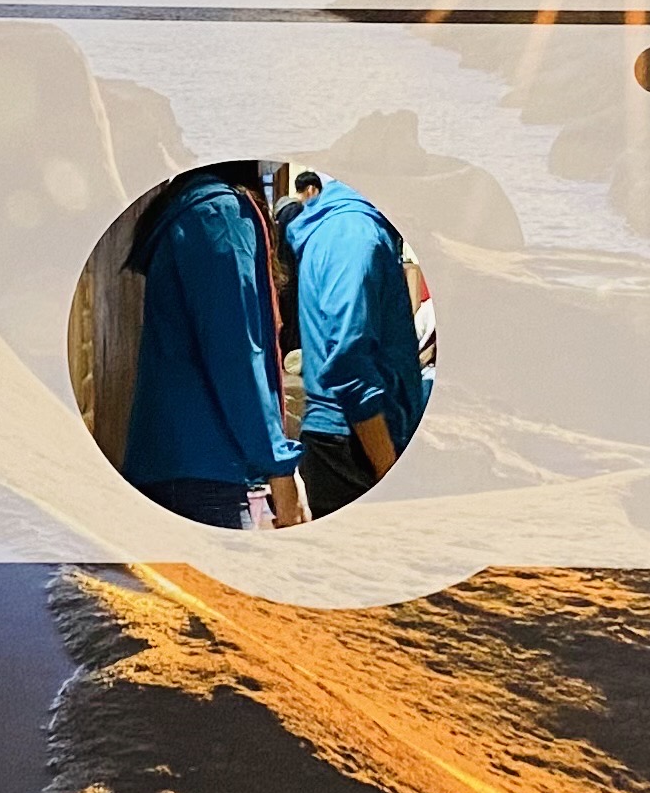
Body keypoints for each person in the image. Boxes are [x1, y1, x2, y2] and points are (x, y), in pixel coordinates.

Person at [117, 161, 304, 530]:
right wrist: (280, 469)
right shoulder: (219, 214)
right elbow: (238, 356)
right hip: (210, 471)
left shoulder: (191, 206)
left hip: (179, 463)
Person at [283, 170, 427, 522]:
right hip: (353, 443)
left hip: (349, 438)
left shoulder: (346, 225)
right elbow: (348, 361)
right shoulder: (356, 234)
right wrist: (386, 466)